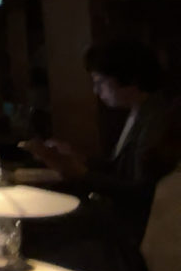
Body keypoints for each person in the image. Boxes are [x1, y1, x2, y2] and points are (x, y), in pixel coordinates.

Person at [31, 38, 179, 247]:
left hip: (145, 229)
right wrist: (77, 158)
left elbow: (141, 192)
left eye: (100, 82)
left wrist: (82, 173)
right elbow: (120, 169)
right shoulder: (139, 111)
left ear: (130, 78)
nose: (96, 90)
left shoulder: (156, 119)